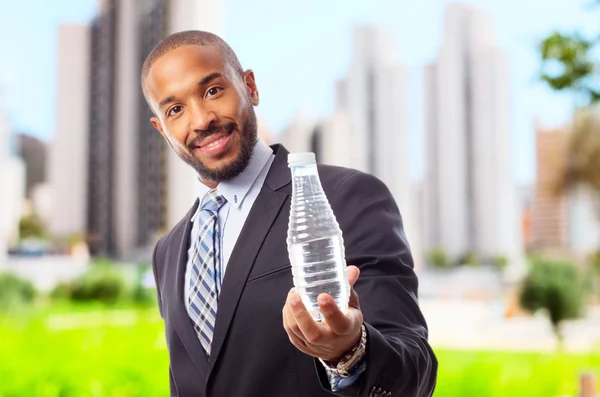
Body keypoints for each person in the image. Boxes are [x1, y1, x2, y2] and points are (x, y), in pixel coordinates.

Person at [142, 30, 437, 397]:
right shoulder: (168, 252)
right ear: (162, 129)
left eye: (213, 90)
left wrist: (349, 351)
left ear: (250, 86)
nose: (201, 120)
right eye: (175, 110)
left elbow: (415, 371)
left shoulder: (347, 197)